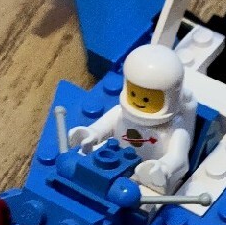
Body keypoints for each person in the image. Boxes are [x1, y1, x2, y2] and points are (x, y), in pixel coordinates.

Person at [68, 43, 196, 194]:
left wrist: (163, 168)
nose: (139, 102)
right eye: (133, 94)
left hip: (148, 183)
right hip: (112, 165)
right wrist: (91, 134)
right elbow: (103, 126)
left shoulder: (176, 131)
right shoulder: (120, 114)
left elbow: (178, 158)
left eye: (147, 99)